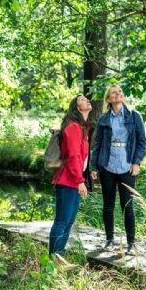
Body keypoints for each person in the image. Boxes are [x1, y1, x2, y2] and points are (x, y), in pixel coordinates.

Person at [90, 84, 146, 254]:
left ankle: (131, 243)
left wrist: (137, 162)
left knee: (127, 205)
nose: (118, 93)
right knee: (108, 205)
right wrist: (94, 166)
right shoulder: (104, 119)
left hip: (127, 165)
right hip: (107, 165)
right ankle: (109, 240)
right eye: (114, 92)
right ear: (108, 99)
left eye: (120, 91)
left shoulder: (134, 116)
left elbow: (142, 142)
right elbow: (97, 143)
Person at [49, 95, 92, 257]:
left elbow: (82, 158)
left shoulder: (82, 128)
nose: (86, 100)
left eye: (87, 99)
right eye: (81, 99)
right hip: (68, 180)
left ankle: (59, 256)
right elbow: (74, 156)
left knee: (68, 221)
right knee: (62, 221)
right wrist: (80, 181)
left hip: (74, 181)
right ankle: (53, 258)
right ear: (76, 107)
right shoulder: (73, 127)